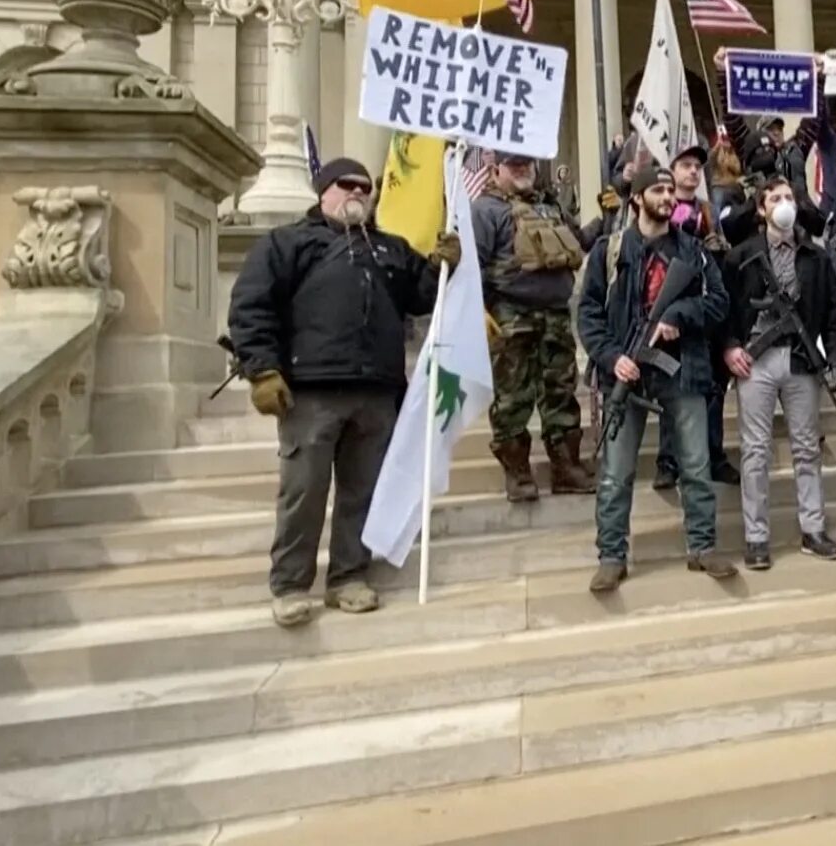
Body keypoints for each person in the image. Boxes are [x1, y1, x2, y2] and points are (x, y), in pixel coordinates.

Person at [228, 159, 456, 627]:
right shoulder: (285, 244)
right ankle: (290, 584)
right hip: (310, 392)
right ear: (322, 191)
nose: (357, 193)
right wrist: (262, 370)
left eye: (365, 187)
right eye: (346, 185)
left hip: (377, 392)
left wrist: (444, 262)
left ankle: (348, 577)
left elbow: (426, 295)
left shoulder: (391, 250)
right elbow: (252, 308)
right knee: (304, 491)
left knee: (363, 493)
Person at [577, 164, 736, 593]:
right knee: (614, 473)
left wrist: (677, 319)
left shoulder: (693, 252)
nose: (668, 197)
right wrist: (612, 358)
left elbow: (719, 303)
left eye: (671, 190)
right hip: (625, 373)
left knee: (696, 465)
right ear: (637, 199)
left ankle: (702, 547)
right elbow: (588, 314)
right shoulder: (609, 251)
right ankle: (612, 555)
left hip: (681, 369)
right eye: (658, 190)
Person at [722, 176, 836, 569]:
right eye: (774, 198)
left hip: (800, 360)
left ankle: (813, 529)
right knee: (756, 452)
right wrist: (729, 348)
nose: (783, 203)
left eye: (789, 197)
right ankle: (756, 537)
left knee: (807, 449)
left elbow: (832, 310)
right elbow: (724, 308)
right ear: (761, 209)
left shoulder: (815, 255)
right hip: (755, 361)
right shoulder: (741, 255)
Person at [471, 151, 596, 504]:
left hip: (555, 315)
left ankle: (566, 467)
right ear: (496, 171)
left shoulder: (549, 206)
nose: (523, 169)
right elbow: (474, 264)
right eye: (514, 165)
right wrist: (479, 309)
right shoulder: (486, 211)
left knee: (561, 392)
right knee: (513, 397)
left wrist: (609, 213)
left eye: (527, 164)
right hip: (511, 316)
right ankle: (518, 472)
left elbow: (579, 243)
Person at [653, 140, 739, 491]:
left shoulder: (708, 210)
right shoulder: (662, 207)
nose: (692, 171)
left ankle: (713, 453)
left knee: (714, 387)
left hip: (708, 309)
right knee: (672, 388)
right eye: (685, 165)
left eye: (696, 166)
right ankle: (668, 460)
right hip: (671, 312)